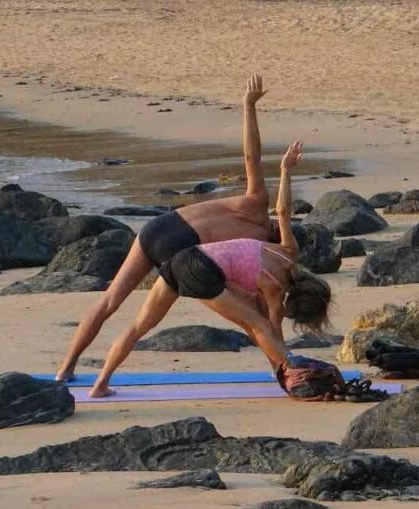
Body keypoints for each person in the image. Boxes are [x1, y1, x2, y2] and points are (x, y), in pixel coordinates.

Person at [55, 74, 281, 382]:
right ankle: (278, 370)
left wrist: (248, 106)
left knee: (109, 300)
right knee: (252, 321)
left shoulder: (256, 202)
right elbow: (254, 306)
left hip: (160, 226)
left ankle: (65, 368)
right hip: (184, 250)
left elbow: (251, 155)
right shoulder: (256, 253)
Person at [87, 141, 332, 397]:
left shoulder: (288, 251)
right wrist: (286, 367)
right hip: (203, 270)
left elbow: (282, 210)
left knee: (138, 327)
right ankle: (291, 373)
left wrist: (285, 170)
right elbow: (271, 330)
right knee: (259, 325)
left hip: (184, 256)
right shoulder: (275, 290)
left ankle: (100, 384)